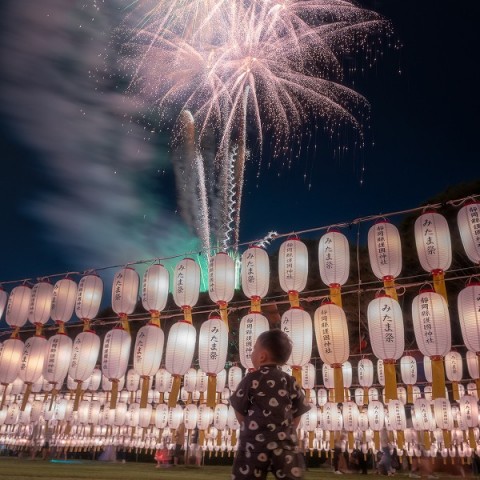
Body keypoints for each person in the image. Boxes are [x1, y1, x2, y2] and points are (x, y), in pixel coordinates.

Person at [230, 329, 311, 480]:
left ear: (262, 356)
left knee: (246, 476)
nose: (252, 352)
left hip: (253, 445)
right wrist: (287, 429)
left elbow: (239, 407)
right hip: (284, 444)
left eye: (254, 348)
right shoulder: (289, 380)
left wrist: (248, 427)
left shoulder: (251, 379)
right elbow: (298, 410)